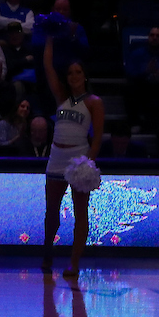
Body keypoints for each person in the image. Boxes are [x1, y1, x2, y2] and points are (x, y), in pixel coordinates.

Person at [42, 35, 104, 276]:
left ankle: (74, 263)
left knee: (81, 212)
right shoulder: (61, 97)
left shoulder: (94, 102)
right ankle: (48, 252)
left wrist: (89, 161)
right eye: (70, 73)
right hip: (56, 157)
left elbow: (97, 137)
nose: (74, 76)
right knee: (51, 211)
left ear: (84, 75)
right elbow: (48, 67)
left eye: (78, 72)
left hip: (78, 158)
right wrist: (49, 39)